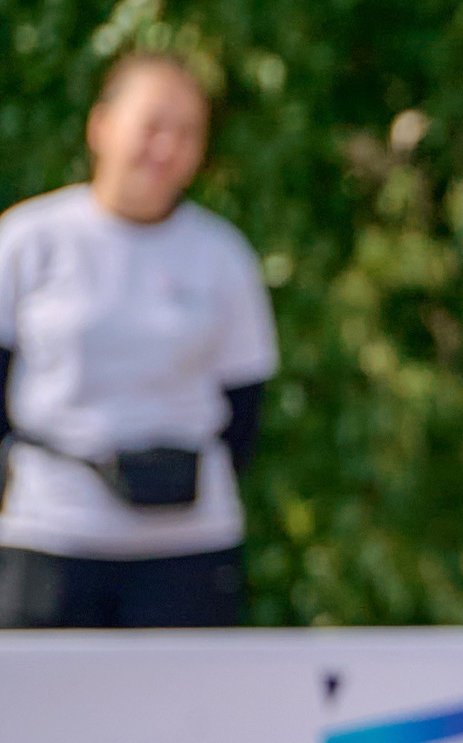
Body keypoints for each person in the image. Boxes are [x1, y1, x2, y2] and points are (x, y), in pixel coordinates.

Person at [0, 53, 276, 627]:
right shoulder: (29, 239)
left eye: (187, 132)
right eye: (152, 125)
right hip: (50, 536)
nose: (167, 147)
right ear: (100, 126)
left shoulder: (221, 256)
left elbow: (244, 409)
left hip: (188, 547)